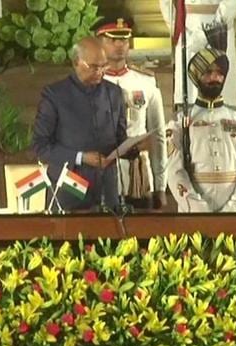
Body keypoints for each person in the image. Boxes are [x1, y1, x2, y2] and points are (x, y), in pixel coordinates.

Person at [32, 37, 136, 211]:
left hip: (107, 189)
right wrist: (81, 157)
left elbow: (119, 139)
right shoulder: (55, 95)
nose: (100, 72)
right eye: (94, 66)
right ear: (76, 62)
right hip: (69, 186)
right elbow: (40, 146)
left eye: (104, 66)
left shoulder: (114, 93)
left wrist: (134, 147)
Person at [166, 45, 236, 212]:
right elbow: (174, 171)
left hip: (234, 210)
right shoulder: (180, 121)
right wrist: (197, 208)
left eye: (220, 73)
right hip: (194, 209)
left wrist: (235, 205)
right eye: (208, 72)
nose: (215, 77)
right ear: (196, 76)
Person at [94, 16, 168, 210]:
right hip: (102, 172)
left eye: (124, 39)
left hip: (138, 175)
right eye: (112, 39)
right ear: (99, 42)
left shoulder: (145, 82)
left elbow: (158, 135)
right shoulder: (90, 84)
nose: (120, 45)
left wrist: (160, 185)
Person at [159, 0, 236, 106]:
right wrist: (179, 31)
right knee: (188, 98)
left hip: (220, 32)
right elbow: (166, 4)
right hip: (188, 31)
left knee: (220, 96)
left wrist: (211, 30)